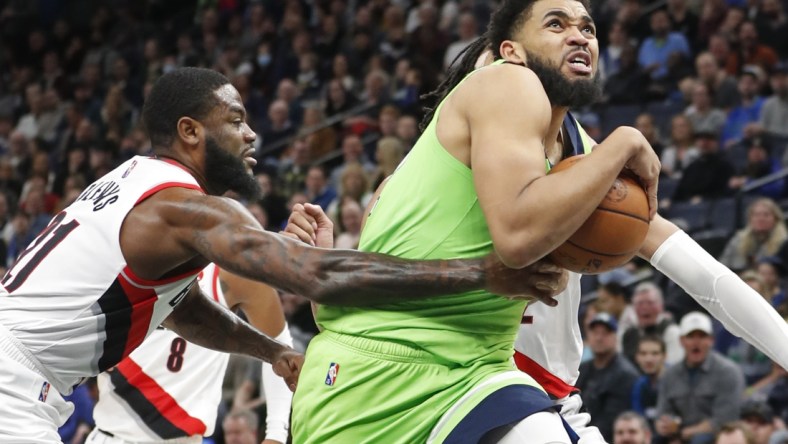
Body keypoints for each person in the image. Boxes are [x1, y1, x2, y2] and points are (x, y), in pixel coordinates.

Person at [290, 0, 788, 441]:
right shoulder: (504, 91)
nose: (580, 35)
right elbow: (517, 237)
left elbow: (701, 272)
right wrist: (626, 140)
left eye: (589, 27)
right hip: (404, 383)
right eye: (556, 24)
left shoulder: (578, 157)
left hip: (490, 385)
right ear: (509, 54)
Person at [0, 67, 565, 442]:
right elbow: (316, 276)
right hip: (15, 384)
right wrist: (481, 274)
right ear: (191, 131)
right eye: (237, 120)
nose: (252, 135)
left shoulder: (134, 183)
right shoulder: (183, 207)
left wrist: (268, 351)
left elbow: (177, 305)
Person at [86, 264, 293, 443]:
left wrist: (276, 431)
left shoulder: (231, 273)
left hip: (182, 438)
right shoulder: (127, 257)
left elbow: (280, 349)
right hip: (109, 433)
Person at [656, 312, 746, 444]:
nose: (696, 342)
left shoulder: (728, 372)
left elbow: (725, 420)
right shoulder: (670, 374)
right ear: (681, 341)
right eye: (690, 336)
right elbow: (663, 413)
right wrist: (665, 426)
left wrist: (682, 433)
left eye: (702, 336)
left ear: (711, 340)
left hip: (715, 437)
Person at [576, 312, 639, 441]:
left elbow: (610, 422)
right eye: (595, 333)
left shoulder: (625, 374)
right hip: (581, 432)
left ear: (616, 337)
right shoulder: (582, 368)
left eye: (605, 333)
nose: (599, 338)